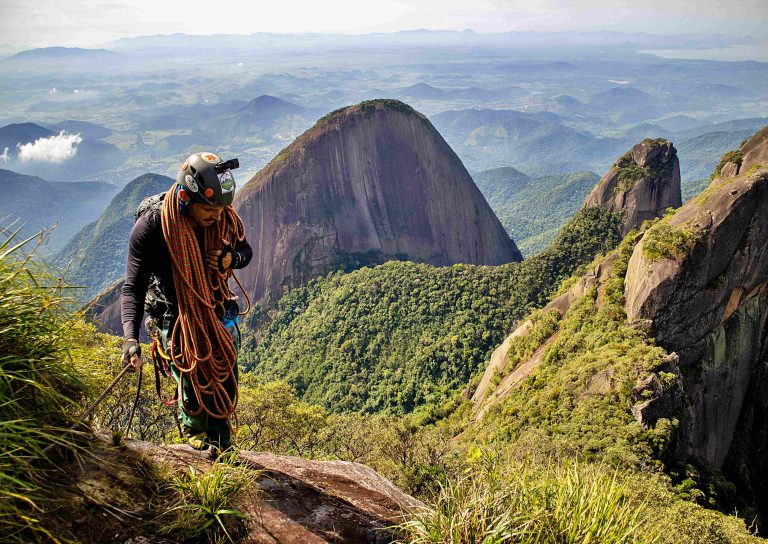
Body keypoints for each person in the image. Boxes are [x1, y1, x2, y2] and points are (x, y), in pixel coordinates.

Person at [121, 151, 252, 456]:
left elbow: (246, 250)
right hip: (173, 313)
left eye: (221, 209)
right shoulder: (152, 226)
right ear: (185, 196)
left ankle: (223, 444)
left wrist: (233, 259)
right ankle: (197, 436)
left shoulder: (222, 216)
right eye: (208, 210)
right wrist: (130, 338)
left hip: (216, 306)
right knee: (191, 371)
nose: (217, 217)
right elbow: (133, 286)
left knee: (224, 373)